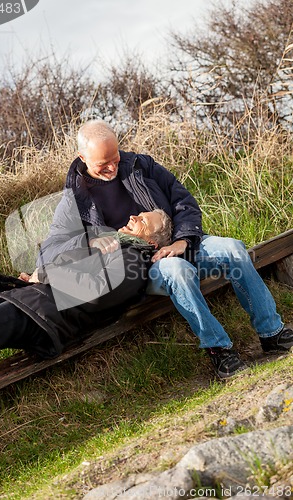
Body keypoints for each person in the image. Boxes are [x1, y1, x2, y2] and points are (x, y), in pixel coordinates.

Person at [43, 118, 292, 380]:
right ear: (82, 157)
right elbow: (51, 249)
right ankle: (220, 350)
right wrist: (89, 242)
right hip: (142, 267)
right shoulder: (73, 200)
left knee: (233, 249)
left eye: (114, 158)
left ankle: (271, 333)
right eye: (102, 164)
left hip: (181, 242)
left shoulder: (141, 166)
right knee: (177, 270)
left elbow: (184, 201)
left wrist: (182, 240)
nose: (111, 168)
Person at [0, 209, 171, 376]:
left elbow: (96, 294)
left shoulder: (133, 260)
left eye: (143, 221)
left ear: (151, 243)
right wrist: (34, 277)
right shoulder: (113, 247)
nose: (133, 217)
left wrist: (45, 277)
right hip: (30, 296)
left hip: (43, 316)